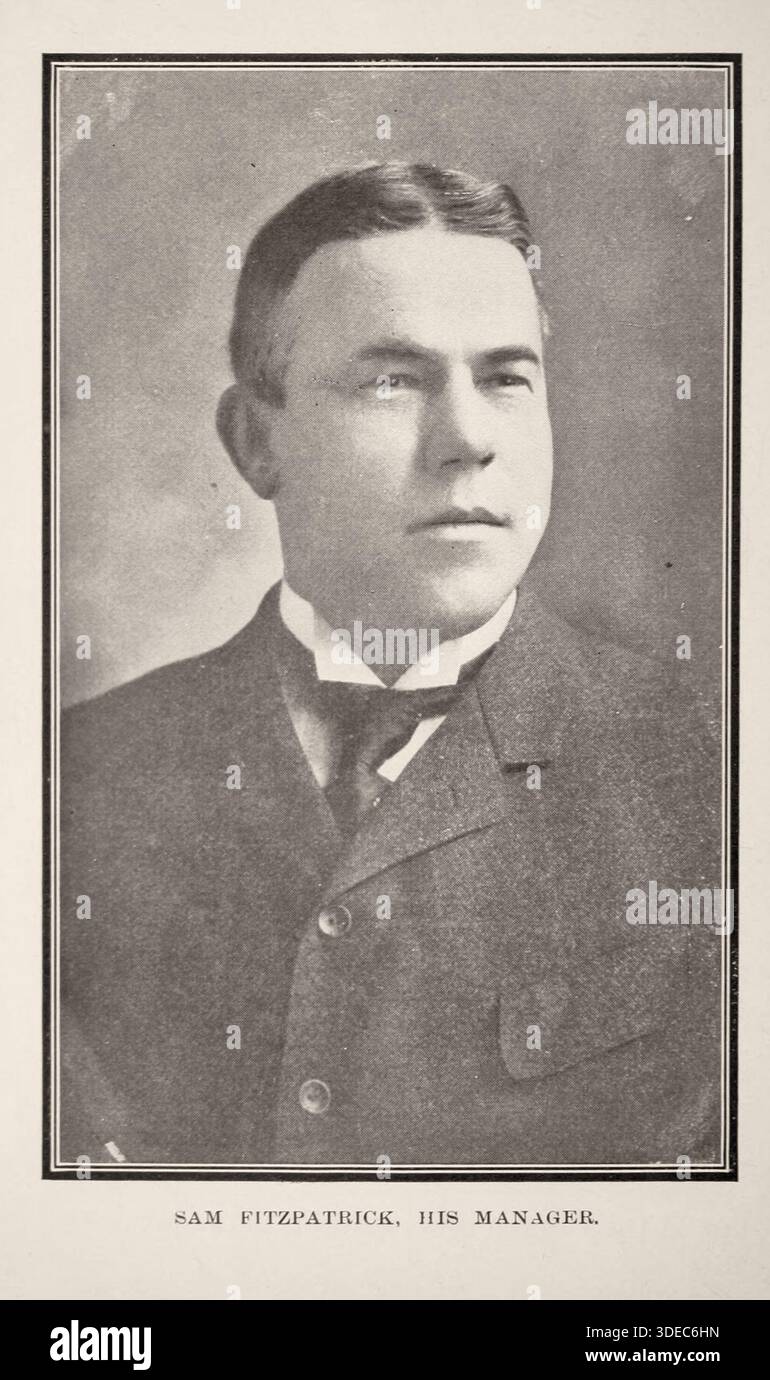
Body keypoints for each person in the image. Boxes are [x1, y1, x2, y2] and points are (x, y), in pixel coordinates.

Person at [59, 162, 723, 1170]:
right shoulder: (70, 782)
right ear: (253, 442)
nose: (466, 439)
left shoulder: (713, 768)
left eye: (506, 376)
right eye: (389, 380)